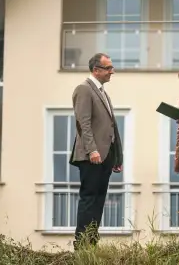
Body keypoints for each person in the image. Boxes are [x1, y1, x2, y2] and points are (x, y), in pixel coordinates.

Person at [69, 53, 123, 249]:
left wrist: (117, 156)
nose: (112, 71)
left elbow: (110, 127)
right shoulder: (84, 89)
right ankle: (81, 244)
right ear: (96, 70)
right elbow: (83, 123)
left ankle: (91, 242)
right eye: (108, 68)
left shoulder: (102, 92)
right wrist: (92, 150)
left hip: (105, 155)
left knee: (99, 199)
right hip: (92, 155)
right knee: (89, 198)